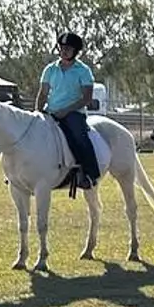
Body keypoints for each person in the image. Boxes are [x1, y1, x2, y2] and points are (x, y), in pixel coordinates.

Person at [36, 30, 102, 191]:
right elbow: (43, 93)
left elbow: (86, 98)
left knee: (79, 137)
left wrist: (66, 111)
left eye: (68, 48)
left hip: (74, 113)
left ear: (75, 51)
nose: (63, 51)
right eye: (61, 47)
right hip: (50, 111)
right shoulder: (50, 69)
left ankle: (89, 174)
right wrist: (37, 112)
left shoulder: (83, 71)